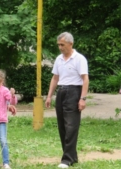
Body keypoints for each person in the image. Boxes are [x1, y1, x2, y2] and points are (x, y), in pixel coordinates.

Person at [45, 32, 89, 169]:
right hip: (61, 91)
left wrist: (82, 98)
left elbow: (85, 79)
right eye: (58, 45)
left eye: (62, 45)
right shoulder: (58, 59)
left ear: (71, 44)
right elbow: (55, 78)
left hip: (74, 91)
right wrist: (49, 96)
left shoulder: (79, 59)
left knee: (71, 126)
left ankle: (66, 159)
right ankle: (72, 156)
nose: (60, 47)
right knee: (62, 126)